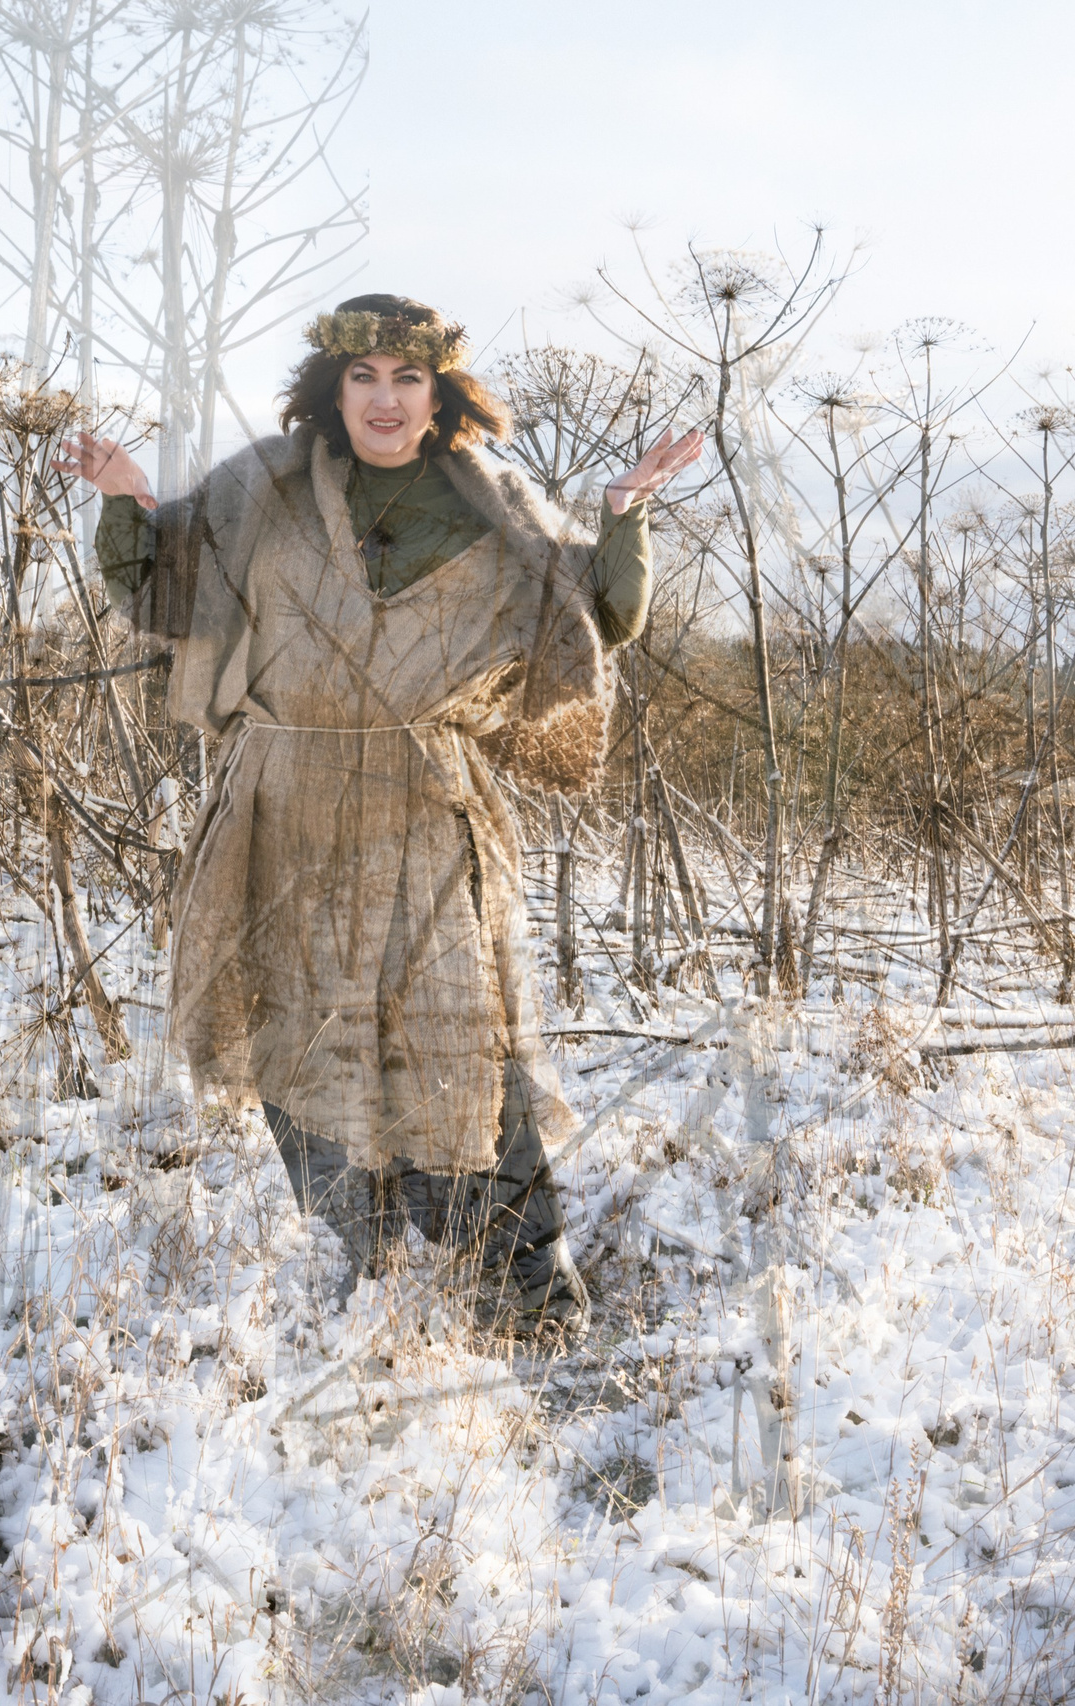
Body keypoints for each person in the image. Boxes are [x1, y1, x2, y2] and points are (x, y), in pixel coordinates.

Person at [57, 293, 701, 1333]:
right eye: (364, 377)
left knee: (462, 1046)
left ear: (439, 391)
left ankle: (527, 1295)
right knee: (295, 1039)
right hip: (281, 810)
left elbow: (599, 617)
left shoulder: (490, 506)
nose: (385, 399)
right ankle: (377, 1264)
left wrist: (623, 513)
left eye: (408, 378)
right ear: (331, 387)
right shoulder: (258, 490)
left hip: (422, 813)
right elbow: (168, 596)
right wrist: (129, 499)